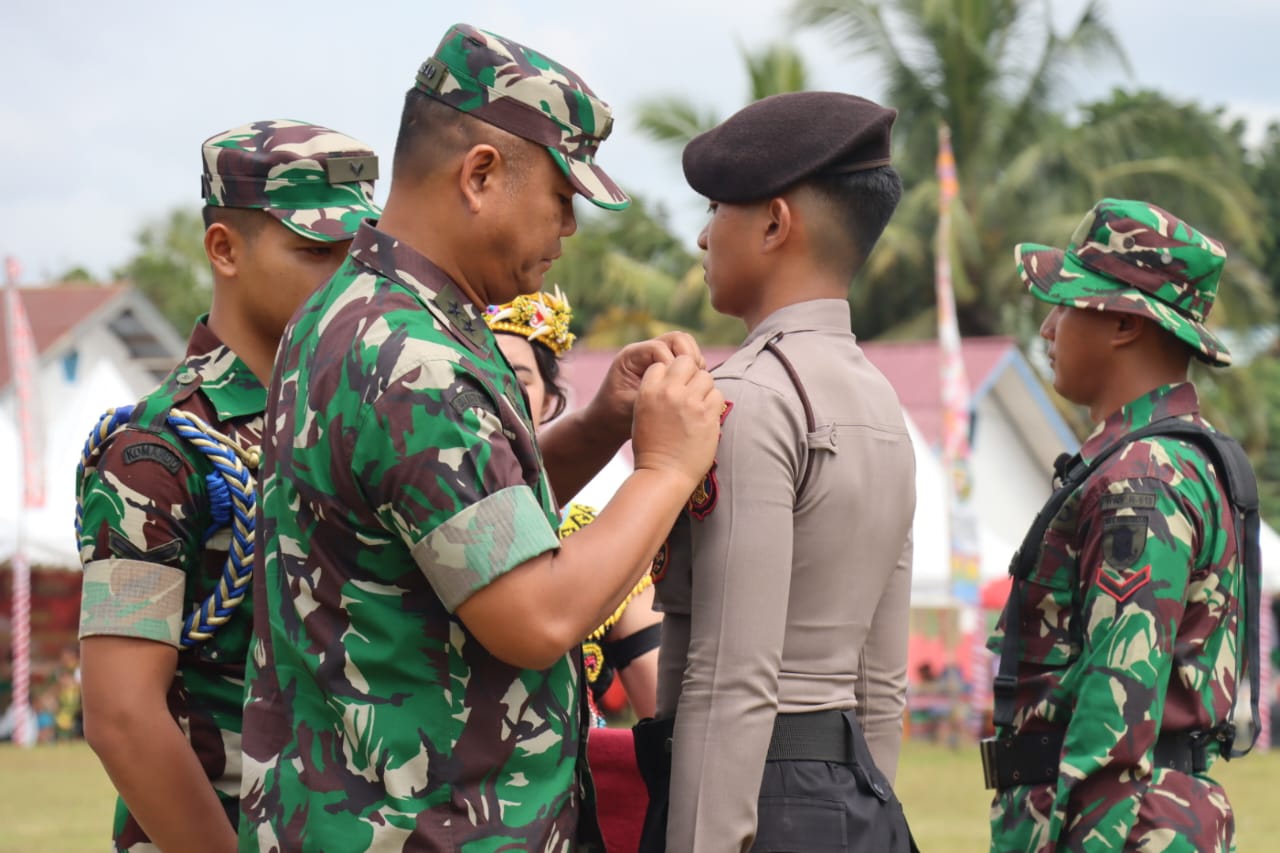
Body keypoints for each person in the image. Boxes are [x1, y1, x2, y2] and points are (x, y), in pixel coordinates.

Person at [238, 23, 722, 852]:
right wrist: (667, 467)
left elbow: (467, 528)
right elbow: (534, 614)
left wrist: (602, 423)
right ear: (482, 174)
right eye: (563, 200)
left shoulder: (360, 311)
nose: (568, 230)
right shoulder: (417, 359)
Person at [75, 120, 380, 852]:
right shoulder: (155, 453)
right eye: (313, 252)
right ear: (224, 249)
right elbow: (121, 714)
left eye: (357, 254)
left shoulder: (346, 418)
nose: (344, 280)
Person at [641, 91, 918, 852]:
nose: (702, 237)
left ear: (773, 223)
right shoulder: (883, 403)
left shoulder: (749, 396)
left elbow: (729, 677)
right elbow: (881, 684)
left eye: (716, 209)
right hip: (857, 801)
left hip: (754, 802)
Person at [984, 198, 1257, 852]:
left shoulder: (1139, 479)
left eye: (1066, 304)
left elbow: (1114, 717)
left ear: (1125, 324)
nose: (1048, 328)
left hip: (1118, 824)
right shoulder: (1179, 458)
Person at [485, 287, 663, 721]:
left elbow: (664, 705)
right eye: (480, 371)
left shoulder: (595, 538)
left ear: (550, 401)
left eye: (520, 377)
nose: (499, 389)